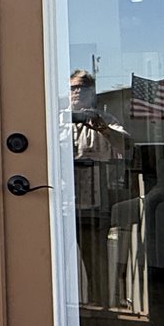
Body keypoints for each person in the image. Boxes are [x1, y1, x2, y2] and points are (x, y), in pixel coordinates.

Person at [69, 71, 128, 311]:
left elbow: (127, 146)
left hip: (93, 207)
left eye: (83, 88)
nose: (77, 92)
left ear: (92, 92)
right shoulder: (56, 119)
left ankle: (101, 308)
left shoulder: (104, 118)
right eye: (73, 88)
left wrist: (101, 127)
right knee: (57, 264)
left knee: (96, 263)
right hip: (60, 205)